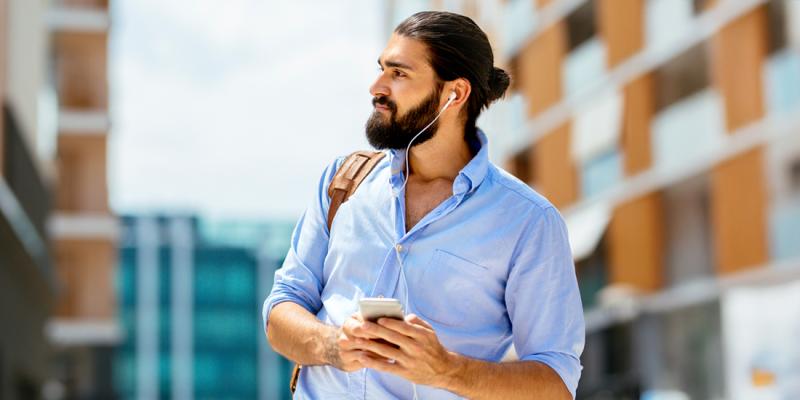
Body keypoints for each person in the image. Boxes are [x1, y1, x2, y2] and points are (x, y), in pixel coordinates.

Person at [262, 11, 584, 400]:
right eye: (382, 69)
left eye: (399, 74)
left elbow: (557, 382)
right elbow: (281, 312)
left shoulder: (528, 222)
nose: (376, 87)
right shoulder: (344, 181)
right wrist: (332, 345)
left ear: (455, 94)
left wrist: (449, 371)